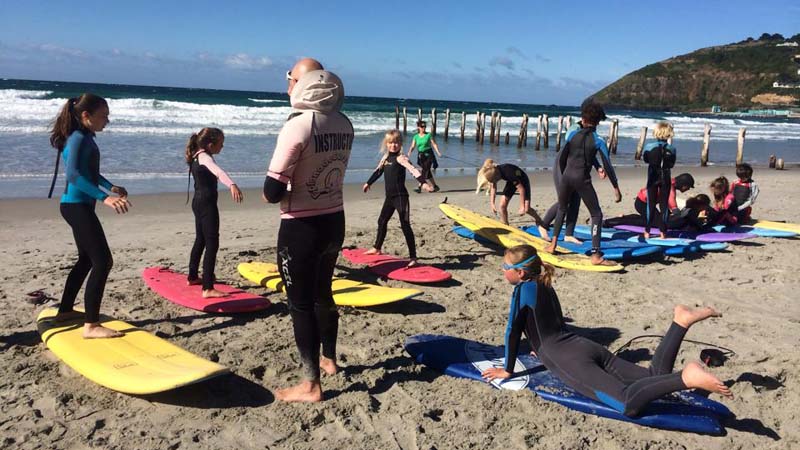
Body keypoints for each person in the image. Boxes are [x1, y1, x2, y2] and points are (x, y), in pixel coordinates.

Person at [481, 244, 732, 417]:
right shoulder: (545, 283)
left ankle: (686, 378)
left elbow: (513, 332)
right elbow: (552, 322)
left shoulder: (521, 291)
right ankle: (680, 322)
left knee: (627, 404)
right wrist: (539, 348)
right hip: (581, 345)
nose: (503, 271)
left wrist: (508, 368)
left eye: (505, 268)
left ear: (520, 272)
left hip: (567, 357)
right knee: (653, 375)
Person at [263, 58, 353, 402]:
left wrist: (286, 188)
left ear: (305, 85)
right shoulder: (345, 123)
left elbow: (272, 193)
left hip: (300, 227)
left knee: (300, 304)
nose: (288, 85)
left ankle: (310, 384)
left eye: (291, 79)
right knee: (323, 293)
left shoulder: (298, 125)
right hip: (334, 220)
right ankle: (329, 359)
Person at [48, 93, 132, 339]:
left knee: (86, 260)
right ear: (86, 116)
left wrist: (110, 186)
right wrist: (104, 197)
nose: (107, 121)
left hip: (78, 206)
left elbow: (89, 172)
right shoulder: (77, 139)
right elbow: (73, 175)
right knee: (102, 261)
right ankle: (91, 325)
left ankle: (64, 311)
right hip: (76, 206)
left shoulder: (85, 137)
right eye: (103, 116)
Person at [545, 100, 622, 265]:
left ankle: (552, 245)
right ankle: (595, 255)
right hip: (582, 179)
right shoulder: (598, 140)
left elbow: (563, 158)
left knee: (562, 208)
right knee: (596, 214)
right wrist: (616, 187)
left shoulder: (572, 135)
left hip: (566, 176)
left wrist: (565, 174)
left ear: (583, 118)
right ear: (598, 121)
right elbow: (607, 165)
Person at [184, 127, 243, 298]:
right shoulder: (205, 158)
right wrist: (232, 184)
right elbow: (218, 172)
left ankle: (193, 276)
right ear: (210, 145)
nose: (222, 147)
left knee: (201, 240)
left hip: (198, 202)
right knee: (212, 243)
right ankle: (208, 287)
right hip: (207, 204)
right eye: (221, 144)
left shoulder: (197, 155)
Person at [362, 130, 433, 267]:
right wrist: (368, 183)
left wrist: (423, 183)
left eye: (396, 142)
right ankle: (377, 248)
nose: (393, 145)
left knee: (405, 225)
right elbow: (378, 172)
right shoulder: (385, 158)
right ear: (386, 144)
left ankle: (413, 257)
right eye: (390, 143)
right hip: (389, 198)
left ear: (400, 144)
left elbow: (413, 170)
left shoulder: (402, 158)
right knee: (381, 221)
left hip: (401, 197)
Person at [478, 159, 543, 226]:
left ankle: (538, 220)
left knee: (527, 209)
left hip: (523, 180)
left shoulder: (508, 172)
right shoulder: (492, 172)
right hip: (511, 181)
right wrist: (492, 204)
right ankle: (505, 224)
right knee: (502, 206)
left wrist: (522, 206)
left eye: (495, 180)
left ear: (497, 175)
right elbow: (493, 188)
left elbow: (521, 189)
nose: (494, 182)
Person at [641, 122, 677, 239]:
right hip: (665, 177)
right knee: (664, 205)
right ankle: (663, 233)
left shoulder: (649, 147)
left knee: (650, 204)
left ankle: (647, 231)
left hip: (652, 177)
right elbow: (671, 164)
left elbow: (646, 159)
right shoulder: (672, 149)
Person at [604, 193, 711, 231]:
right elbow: (695, 227)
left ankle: (609, 221)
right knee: (636, 222)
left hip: (665, 220)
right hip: (665, 224)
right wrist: (704, 226)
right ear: (701, 205)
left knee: (637, 219)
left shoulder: (688, 208)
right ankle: (609, 223)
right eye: (706, 206)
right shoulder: (692, 211)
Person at [633, 173, 695, 237]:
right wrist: (681, 214)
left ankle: (629, 218)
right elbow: (673, 205)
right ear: (683, 184)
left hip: (645, 203)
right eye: (688, 187)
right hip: (642, 203)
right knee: (657, 223)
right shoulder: (670, 187)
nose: (688, 189)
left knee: (657, 220)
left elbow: (664, 201)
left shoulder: (669, 182)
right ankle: (623, 220)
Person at [407, 120, 442, 193]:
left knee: (425, 170)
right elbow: (412, 146)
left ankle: (419, 186)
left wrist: (438, 152)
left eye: (425, 126)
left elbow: (434, 144)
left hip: (429, 155)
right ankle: (435, 186)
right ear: (418, 127)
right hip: (421, 156)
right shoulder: (416, 137)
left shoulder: (428, 135)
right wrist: (409, 152)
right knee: (427, 171)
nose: (424, 128)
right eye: (422, 126)